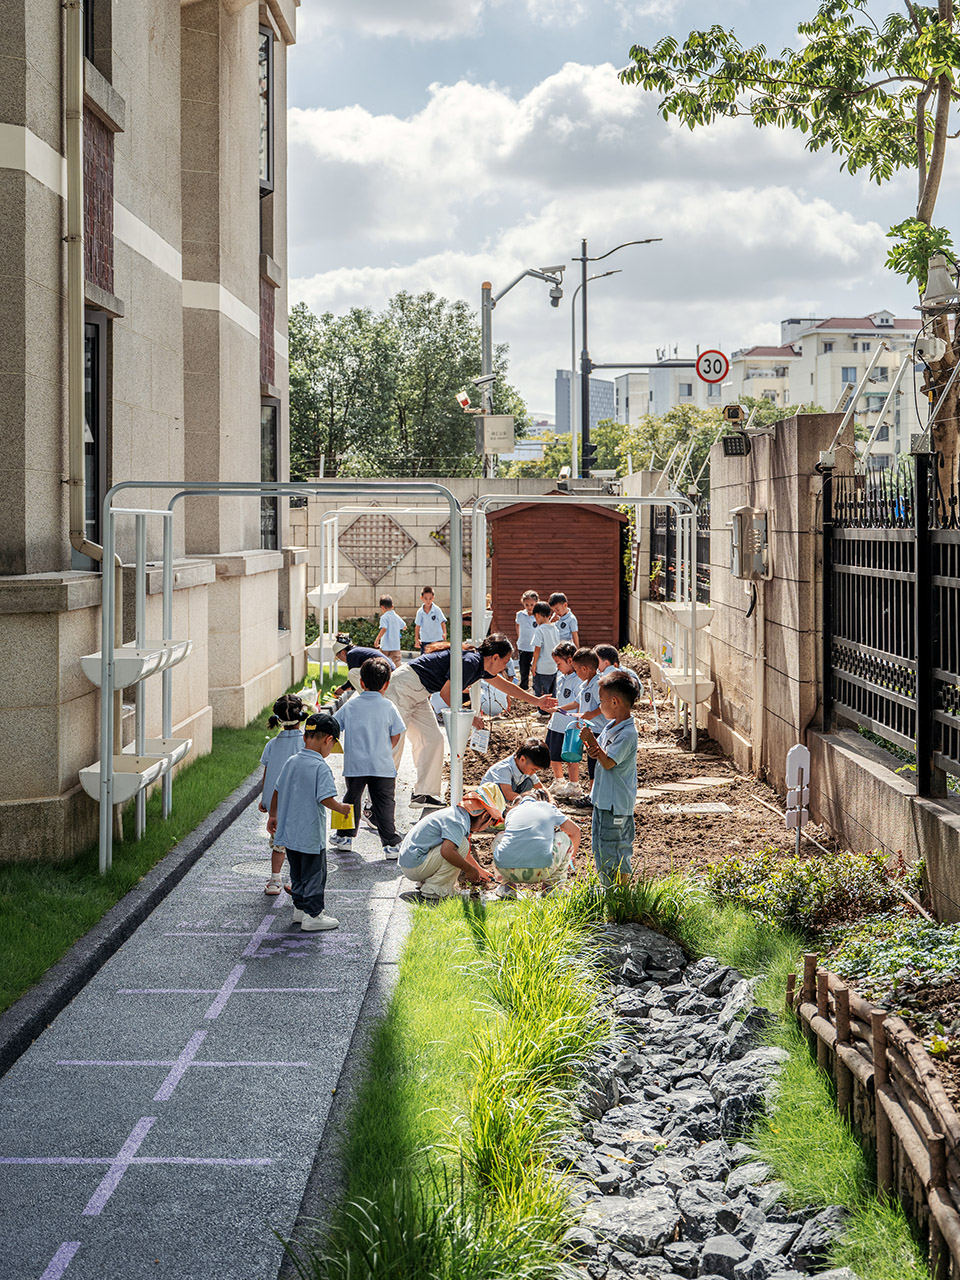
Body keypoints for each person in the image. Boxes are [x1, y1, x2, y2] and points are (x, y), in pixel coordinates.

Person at [384, 634, 557, 807]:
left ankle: (423, 794)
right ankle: (376, 804)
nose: (505, 667)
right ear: (495, 657)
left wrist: (537, 701)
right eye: (505, 663)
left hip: (419, 693)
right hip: (401, 687)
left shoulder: (480, 665)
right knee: (395, 745)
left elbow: (506, 686)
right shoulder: (470, 662)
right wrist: (470, 718)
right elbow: (446, 694)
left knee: (433, 740)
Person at [267, 712, 352, 931]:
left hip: (290, 834)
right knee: (315, 874)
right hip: (310, 835)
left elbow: (276, 790)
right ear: (328, 740)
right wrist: (341, 808)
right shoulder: (320, 767)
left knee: (297, 873)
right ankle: (313, 915)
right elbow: (324, 798)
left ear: (305, 737)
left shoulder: (292, 761)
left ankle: (300, 909)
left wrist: (273, 815)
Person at [330, 656, 406, 860]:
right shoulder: (388, 706)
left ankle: (344, 837)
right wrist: (385, 748)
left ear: (361, 682)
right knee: (385, 804)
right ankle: (390, 844)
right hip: (382, 765)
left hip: (355, 765)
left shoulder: (352, 706)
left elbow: (334, 726)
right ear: (387, 684)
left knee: (351, 800)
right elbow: (397, 733)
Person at [581, 670, 640, 886]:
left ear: (614, 702)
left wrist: (592, 742)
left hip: (616, 805)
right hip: (602, 800)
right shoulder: (610, 727)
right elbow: (601, 756)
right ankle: (609, 893)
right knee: (601, 847)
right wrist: (591, 747)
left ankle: (620, 896)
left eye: (602, 700)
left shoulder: (627, 734)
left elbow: (608, 762)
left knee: (616, 850)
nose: (600, 704)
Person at [397, 785, 502, 899]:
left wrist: (478, 870)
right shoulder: (457, 821)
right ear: (485, 815)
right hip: (415, 867)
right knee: (461, 845)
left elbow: (464, 854)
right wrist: (469, 870)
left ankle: (428, 881)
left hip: (412, 863)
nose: (489, 826)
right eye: (493, 822)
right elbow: (447, 851)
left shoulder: (457, 814)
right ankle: (436, 889)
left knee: (461, 846)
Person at [258, 694, 308, 895]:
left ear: (278, 719)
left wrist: (265, 799)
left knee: (278, 845)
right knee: (300, 846)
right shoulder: (306, 743)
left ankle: (274, 881)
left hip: (277, 806)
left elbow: (268, 774)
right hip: (301, 804)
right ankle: (298, 881)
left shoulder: (272, 745)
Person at [491, 794, 581, 897]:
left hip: (508, 870)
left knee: (501, 837)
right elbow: (575, 831)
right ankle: (552, 888)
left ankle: (506, 887)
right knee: (563, 837)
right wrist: (571, 857)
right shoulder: (548, 807)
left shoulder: (512, 813)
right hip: (543, 870)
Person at [546, 642, 582, 799]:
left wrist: (561, 710)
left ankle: (574, 785)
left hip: (570, 724)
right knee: (554, 755)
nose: (557, 667)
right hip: (556, 722)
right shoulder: (560, 676)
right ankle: (559, 781)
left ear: (570, 660)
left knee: (570, 756)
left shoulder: (578, 680)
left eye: (559, 663)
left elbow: (578, 702)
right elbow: (560, 697)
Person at [480, 737, 550, 803]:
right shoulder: (503, 768)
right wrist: (530, 802)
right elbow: (508, 794)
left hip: (508, 800)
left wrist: (550, 800)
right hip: (489, 803)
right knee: (512, 785)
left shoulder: (524, 767)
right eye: (533, 769)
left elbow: (540, 787)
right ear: (522, 759)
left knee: (529, 782)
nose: (533, 773)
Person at [530, 601, 560, 703]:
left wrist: (534, 664)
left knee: (541, 690)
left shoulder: (540, 630)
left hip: (542, 667)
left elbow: (537, 649)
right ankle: (551, 708)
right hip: (553, 665)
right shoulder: (555, 628)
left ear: (537, 615)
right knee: (552, 690)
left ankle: (542, 710)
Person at [514, 589, 540, 691]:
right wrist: (519, 638)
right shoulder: (520, 614)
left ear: (536, 603)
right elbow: (518, 626)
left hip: (535, 647)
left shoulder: (538, 615)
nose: (529, 607)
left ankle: (535, 687)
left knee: (535, 668)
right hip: (523, 646)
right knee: (523, 668)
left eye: (531, 605)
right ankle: (523, 687)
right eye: (527, 605)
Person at [375, 596, 406, 666]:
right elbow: (404, 627)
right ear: (392, 606)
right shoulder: (397, 617)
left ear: (382, 607)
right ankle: (399, 675)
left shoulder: (384, 617)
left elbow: (384, 628)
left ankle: (385, 674)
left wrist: (377, 639)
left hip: (385, 644)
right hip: (395, 645)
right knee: (397, 660)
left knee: (383, 661)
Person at [414, 587, 447, 653]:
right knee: (425, 659)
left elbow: (442, 622)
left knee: (438, 658)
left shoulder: (437, 610)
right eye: (425, 598)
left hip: (437, 639)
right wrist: (416, 639)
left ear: (433, 598)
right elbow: (417, 626)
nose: (428, 601)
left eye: (430, 598)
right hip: (425, 639)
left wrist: (444, 633)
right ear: (421, 598)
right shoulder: (420, 612)